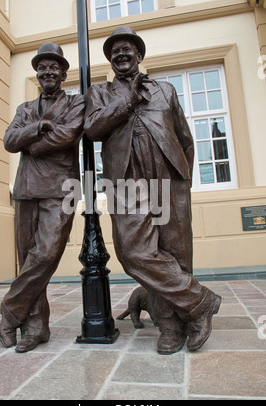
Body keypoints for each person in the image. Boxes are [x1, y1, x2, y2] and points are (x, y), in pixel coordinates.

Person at [84, 27, 221, 354]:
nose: (121, 54)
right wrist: (129, 99)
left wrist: (183, 179)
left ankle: (171, 325)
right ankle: (200, 303)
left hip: (168, 177)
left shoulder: (166, 90)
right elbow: (93, 128)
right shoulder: (100, 93)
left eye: (127, 48)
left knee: (175, 252)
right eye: (115, 50)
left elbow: (185, 138)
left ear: (139, 54)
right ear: (110, 59)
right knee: (135, 253)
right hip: (127, 179)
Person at [0, 43, 85, 353]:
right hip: (25, 189)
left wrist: (32, 143)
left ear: (63, 72)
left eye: (53, 67)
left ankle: (9, 312)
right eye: (42, 67)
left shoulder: (76, 103)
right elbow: (10, 140)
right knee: (28, 260)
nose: (48, 71)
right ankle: (36, 326)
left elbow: (69, 134)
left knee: (46, 254)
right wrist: (38, 126)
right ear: (37, 73)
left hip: (61, 190)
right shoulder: (25, 109)